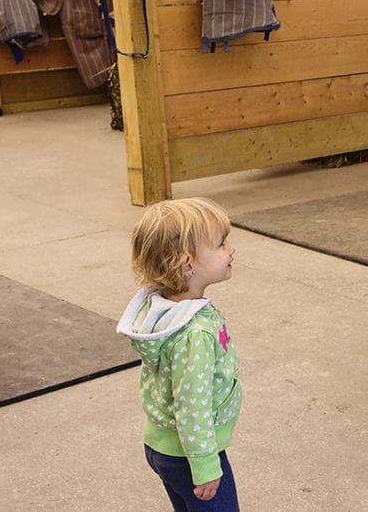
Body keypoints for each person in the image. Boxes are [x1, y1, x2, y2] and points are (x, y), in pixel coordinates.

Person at [117, 197, 243, 511]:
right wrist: (205, 467)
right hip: (191, 455)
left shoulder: (163, 309)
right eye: (221, 243)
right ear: (188, 265)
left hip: (163, 446)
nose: (231, 250)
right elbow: (193, 404)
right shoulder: (194, 334)